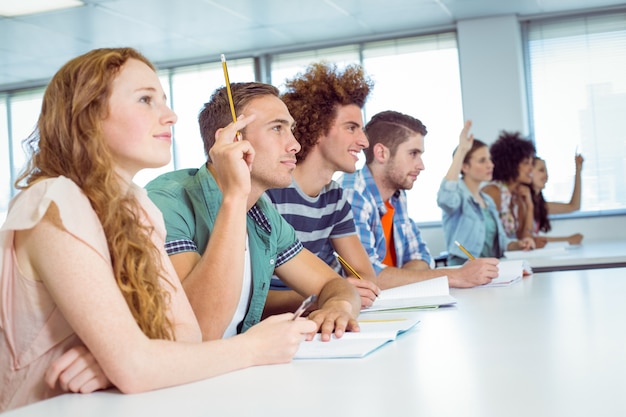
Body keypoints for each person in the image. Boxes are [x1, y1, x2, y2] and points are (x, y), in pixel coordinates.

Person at [0, 48, 317, 412]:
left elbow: (186, 336)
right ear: (87, 116)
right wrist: (253, 348)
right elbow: (137, 366)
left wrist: (128, 360)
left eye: (163, 100)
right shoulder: (53, 203)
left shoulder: (137, 207)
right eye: (146, 100)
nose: (170, 116)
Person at [145, 82, 360, 342]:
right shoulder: (169, 202)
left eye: (290, 129)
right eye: (277, 128)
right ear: (232, 139)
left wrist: (338, 307)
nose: (295, 145)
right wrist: (235, 197)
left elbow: (333, 285)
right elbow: (199, 333)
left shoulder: (263, 214)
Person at [263, 62, 380, 315]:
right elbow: (252, 297)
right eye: (351, 128)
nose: (364, 141)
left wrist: (336, 294)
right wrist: (328, 295)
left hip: (319, 317)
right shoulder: (268, 192)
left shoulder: (334, 197)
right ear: (317, 130)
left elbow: (364, 278)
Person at [338, 110, 499, 289]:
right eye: (413, 154)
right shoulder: (353, 194)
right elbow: (368, 277)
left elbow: (421, 257)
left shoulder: (397, 196)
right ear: (382, 153)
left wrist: (399, 278)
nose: (421, 165)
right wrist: (456, 275)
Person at [437, 121, 535, 265]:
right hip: (463, 273)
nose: (490, 164)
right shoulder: (458, 197)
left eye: (489, 159)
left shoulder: (487, 201)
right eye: (482, 160)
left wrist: (518, 244)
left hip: (489, 274)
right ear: (464, 167)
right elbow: (445, 199)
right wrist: (462, 150)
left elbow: (502, 243)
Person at [481, 131, 537, 242]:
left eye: (532, 163)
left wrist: (530, 207)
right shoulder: (493, 192)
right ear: (510, 164)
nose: (531, 169)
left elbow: (525, 239)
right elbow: (485, 238)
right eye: (526, 163)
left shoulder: (517, 196)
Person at [530, 154, 584, 245]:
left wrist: (578, 171)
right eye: (541, 170)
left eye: (546, 171)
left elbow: (574, 206)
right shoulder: (521, 203)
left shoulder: (539, 205)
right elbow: (530, 239)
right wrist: (568, 239)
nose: (546, 176)